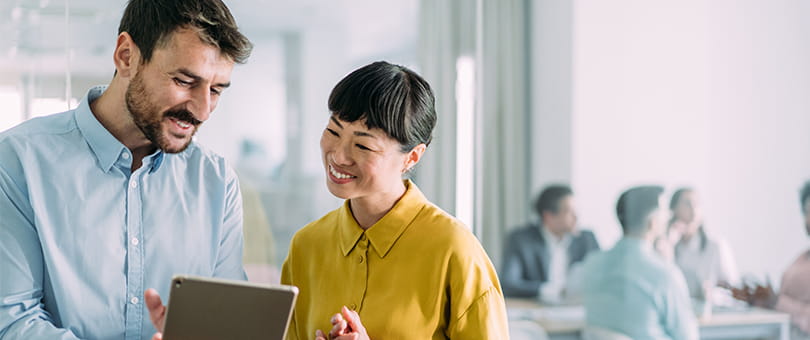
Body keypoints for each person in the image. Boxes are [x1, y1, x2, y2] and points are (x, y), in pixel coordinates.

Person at [0, 0, 252, 339]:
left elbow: (226, 321)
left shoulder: (217, 181)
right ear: (126, 56)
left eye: (216, 89)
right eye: (184, 80)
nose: (203, 110)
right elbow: (13, 320)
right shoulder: (19, 161)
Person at [279, 61, 509, 339]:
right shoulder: (306, 246)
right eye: (333, 131)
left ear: (412, 157)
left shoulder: (454, 250)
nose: (339, 156)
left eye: (363, 145)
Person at [581, 186, 698, 340]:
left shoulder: (592, 263)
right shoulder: (664, 275)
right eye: (664, 211)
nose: (669, 215)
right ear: (652, 222)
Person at [729, 181, 810, 339]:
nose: (808, 220)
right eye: (806, 212)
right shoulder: (802, 258)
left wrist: (776, 302)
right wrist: (758, 299)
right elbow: (783, 304)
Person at [500, 185, 600, 302]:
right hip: (537, 310)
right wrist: (553, 291)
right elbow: (509, 284)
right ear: (549, 216)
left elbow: (603, 279)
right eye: (569, 211)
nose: (576, 216)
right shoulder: (521, 240)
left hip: (578, 309)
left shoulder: (587, 239)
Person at [664, 188, 739, 299]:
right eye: (687, 204)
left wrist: (712, 294)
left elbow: (733, 289)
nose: (694, 210)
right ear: (673, 210)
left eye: (697, 204)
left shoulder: (715, 246)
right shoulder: (666, 246)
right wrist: (668, 244)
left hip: (711, 312)